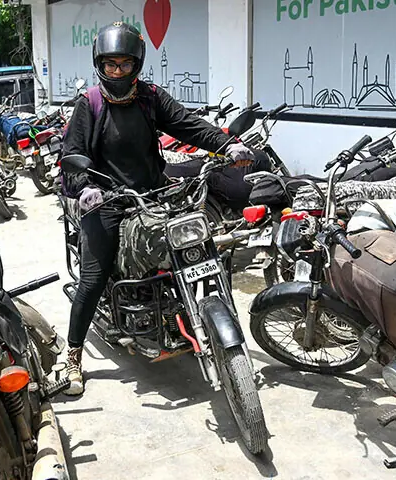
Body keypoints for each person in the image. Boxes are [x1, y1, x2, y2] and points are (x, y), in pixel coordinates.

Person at [60, 21, 254, 395]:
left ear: (138, 64)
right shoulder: (90, 104)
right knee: (93, 276)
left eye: (125, 65)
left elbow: (189, 126)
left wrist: (227, 145)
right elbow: (71, 155)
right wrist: (84, 188)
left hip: (155, 193)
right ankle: (72, 355)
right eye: (111, 64)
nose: (118, 72)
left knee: (202, 248)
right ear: (99, 63)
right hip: (106, 200)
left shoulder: (150, 98)